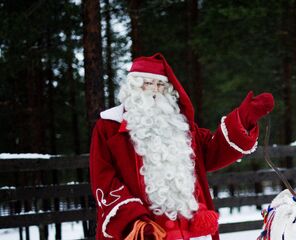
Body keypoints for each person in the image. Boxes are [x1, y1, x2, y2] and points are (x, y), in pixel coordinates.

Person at [89, 53, 274, 240]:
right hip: (144, 231)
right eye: (148, 83)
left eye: (160, 85)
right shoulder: (109, 128)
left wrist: (244, 119)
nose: (155, 90)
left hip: (187, 230)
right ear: (133, 87)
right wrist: (134, 221)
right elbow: (103, 178)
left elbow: (213, 151)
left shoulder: (182, 127)